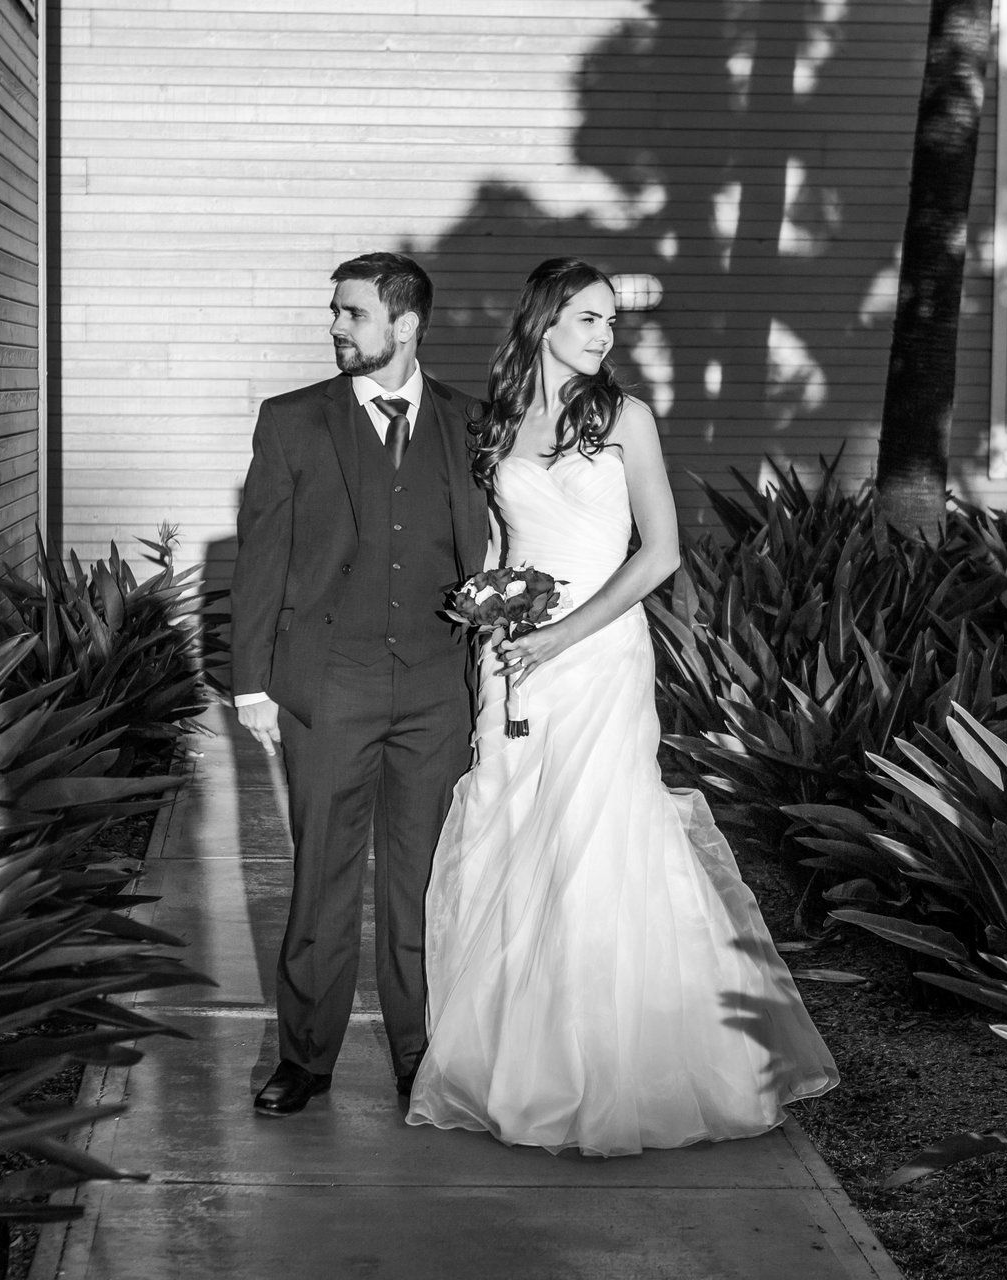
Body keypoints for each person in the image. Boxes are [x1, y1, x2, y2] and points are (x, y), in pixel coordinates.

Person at [405, 258, 839, 1157]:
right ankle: (520, 1062)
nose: (605, 335)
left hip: (598, 653)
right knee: (514, 827)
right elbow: (499, 546)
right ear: (544, 321)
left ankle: (615, 1064)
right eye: (589, 318)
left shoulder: (625, 418)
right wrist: (490, 619)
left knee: (594, 834)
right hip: (514, 662)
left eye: (611, 321)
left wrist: (559, 637)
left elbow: (660, 554)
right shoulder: (499, 423)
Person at [230, 252, 487, 1116]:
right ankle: (304, 1059)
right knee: (322, 876)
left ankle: (421, 1055)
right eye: (336, 312)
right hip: (329, 684)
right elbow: (261, 556)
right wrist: (251, 685)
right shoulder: (292, 420)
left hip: (437, 689)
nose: (336, 326)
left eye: (354, 313)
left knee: (422, 882)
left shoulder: (470, 422)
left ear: (405, 325)